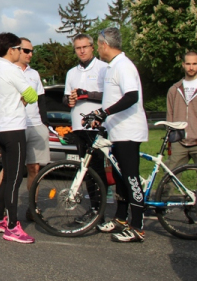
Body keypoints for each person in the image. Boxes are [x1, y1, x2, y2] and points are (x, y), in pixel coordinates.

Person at [89, 27, 149, 243]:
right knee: (121, 179)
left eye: (97, 44)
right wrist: (103, 119)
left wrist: (104, 112)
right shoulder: (112, 67)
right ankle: (121, 219)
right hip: (117, 131)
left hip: (129, 131)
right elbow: (112, 98)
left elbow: (132, 96)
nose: (97, 48)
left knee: (131, 178)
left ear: (105, 44)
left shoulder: (124, 66)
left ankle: (138, 227)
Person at [0, 32, 38, 244]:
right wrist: (24, 100)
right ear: (11, 50)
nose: (21, 52)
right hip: (15, 129)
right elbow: (33, 96)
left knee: (7, 177)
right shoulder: (13, 70)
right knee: (15, 179)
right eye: (19, 48)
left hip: (2, 128)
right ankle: (12, 226)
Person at [63, 33, 108, 221]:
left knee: (99, 170)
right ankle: (95, 208)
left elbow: (109, 95)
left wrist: (86, 94)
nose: (81, 51)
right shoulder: (71, 73)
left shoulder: (104, 68)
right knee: (86, 170)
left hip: (97, 126)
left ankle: (103, 212)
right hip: (78, 126)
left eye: (85, 47)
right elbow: (65, 99)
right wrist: (71, 99)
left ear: (92, 47)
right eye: (78, 48)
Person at [16, 38, 50, 222]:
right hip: (16, 125)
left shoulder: (34, 74)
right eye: (26, 51)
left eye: (32, 51)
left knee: (34, 169)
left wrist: (44, 123)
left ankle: (32, 207)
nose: (30, 54)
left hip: (35, 124)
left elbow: (41, 100)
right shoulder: (8, 71)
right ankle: (4, 209)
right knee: (9, 169)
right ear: (17, 50)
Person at [166, 51, 197, 168]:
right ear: (183, 65)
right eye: (188, 64)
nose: (191, 67)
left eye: (194, 64)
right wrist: (171, 137)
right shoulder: (174, 89)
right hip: (179, 141)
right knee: (169, 177)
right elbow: (170, 115)